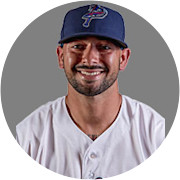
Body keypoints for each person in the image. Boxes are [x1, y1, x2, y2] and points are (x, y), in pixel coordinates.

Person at [16, 4, 165, 179]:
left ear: (123, 59)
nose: (89, 59)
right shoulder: (29, 135)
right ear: (61, 56)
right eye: (78, 47)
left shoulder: (156, 133)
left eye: (104, 47)